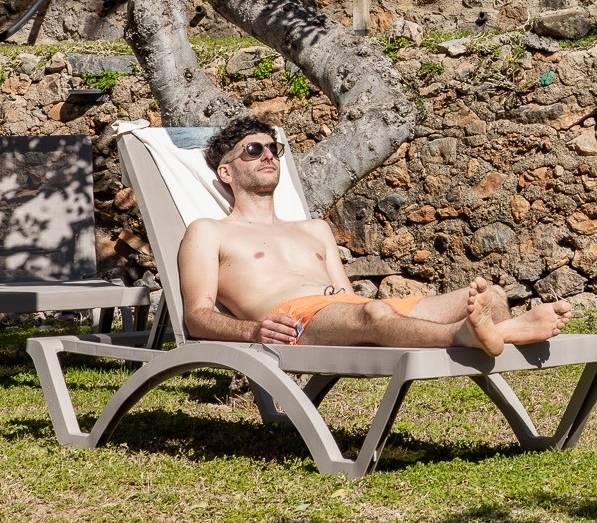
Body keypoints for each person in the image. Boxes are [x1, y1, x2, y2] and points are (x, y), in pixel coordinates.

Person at [178, 115, 571, 353]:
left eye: (272, 148)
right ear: (226, 172)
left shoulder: (314, 229)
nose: (267, 155)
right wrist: (251, 329)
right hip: (294, 323)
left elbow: (345, 297)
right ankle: (467, 335)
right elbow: (196, 317)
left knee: (494, 297)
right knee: (373, 311)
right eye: (252, 150)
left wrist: (365, 316)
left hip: (354, 316)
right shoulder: (209, 231)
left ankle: (495, 328)